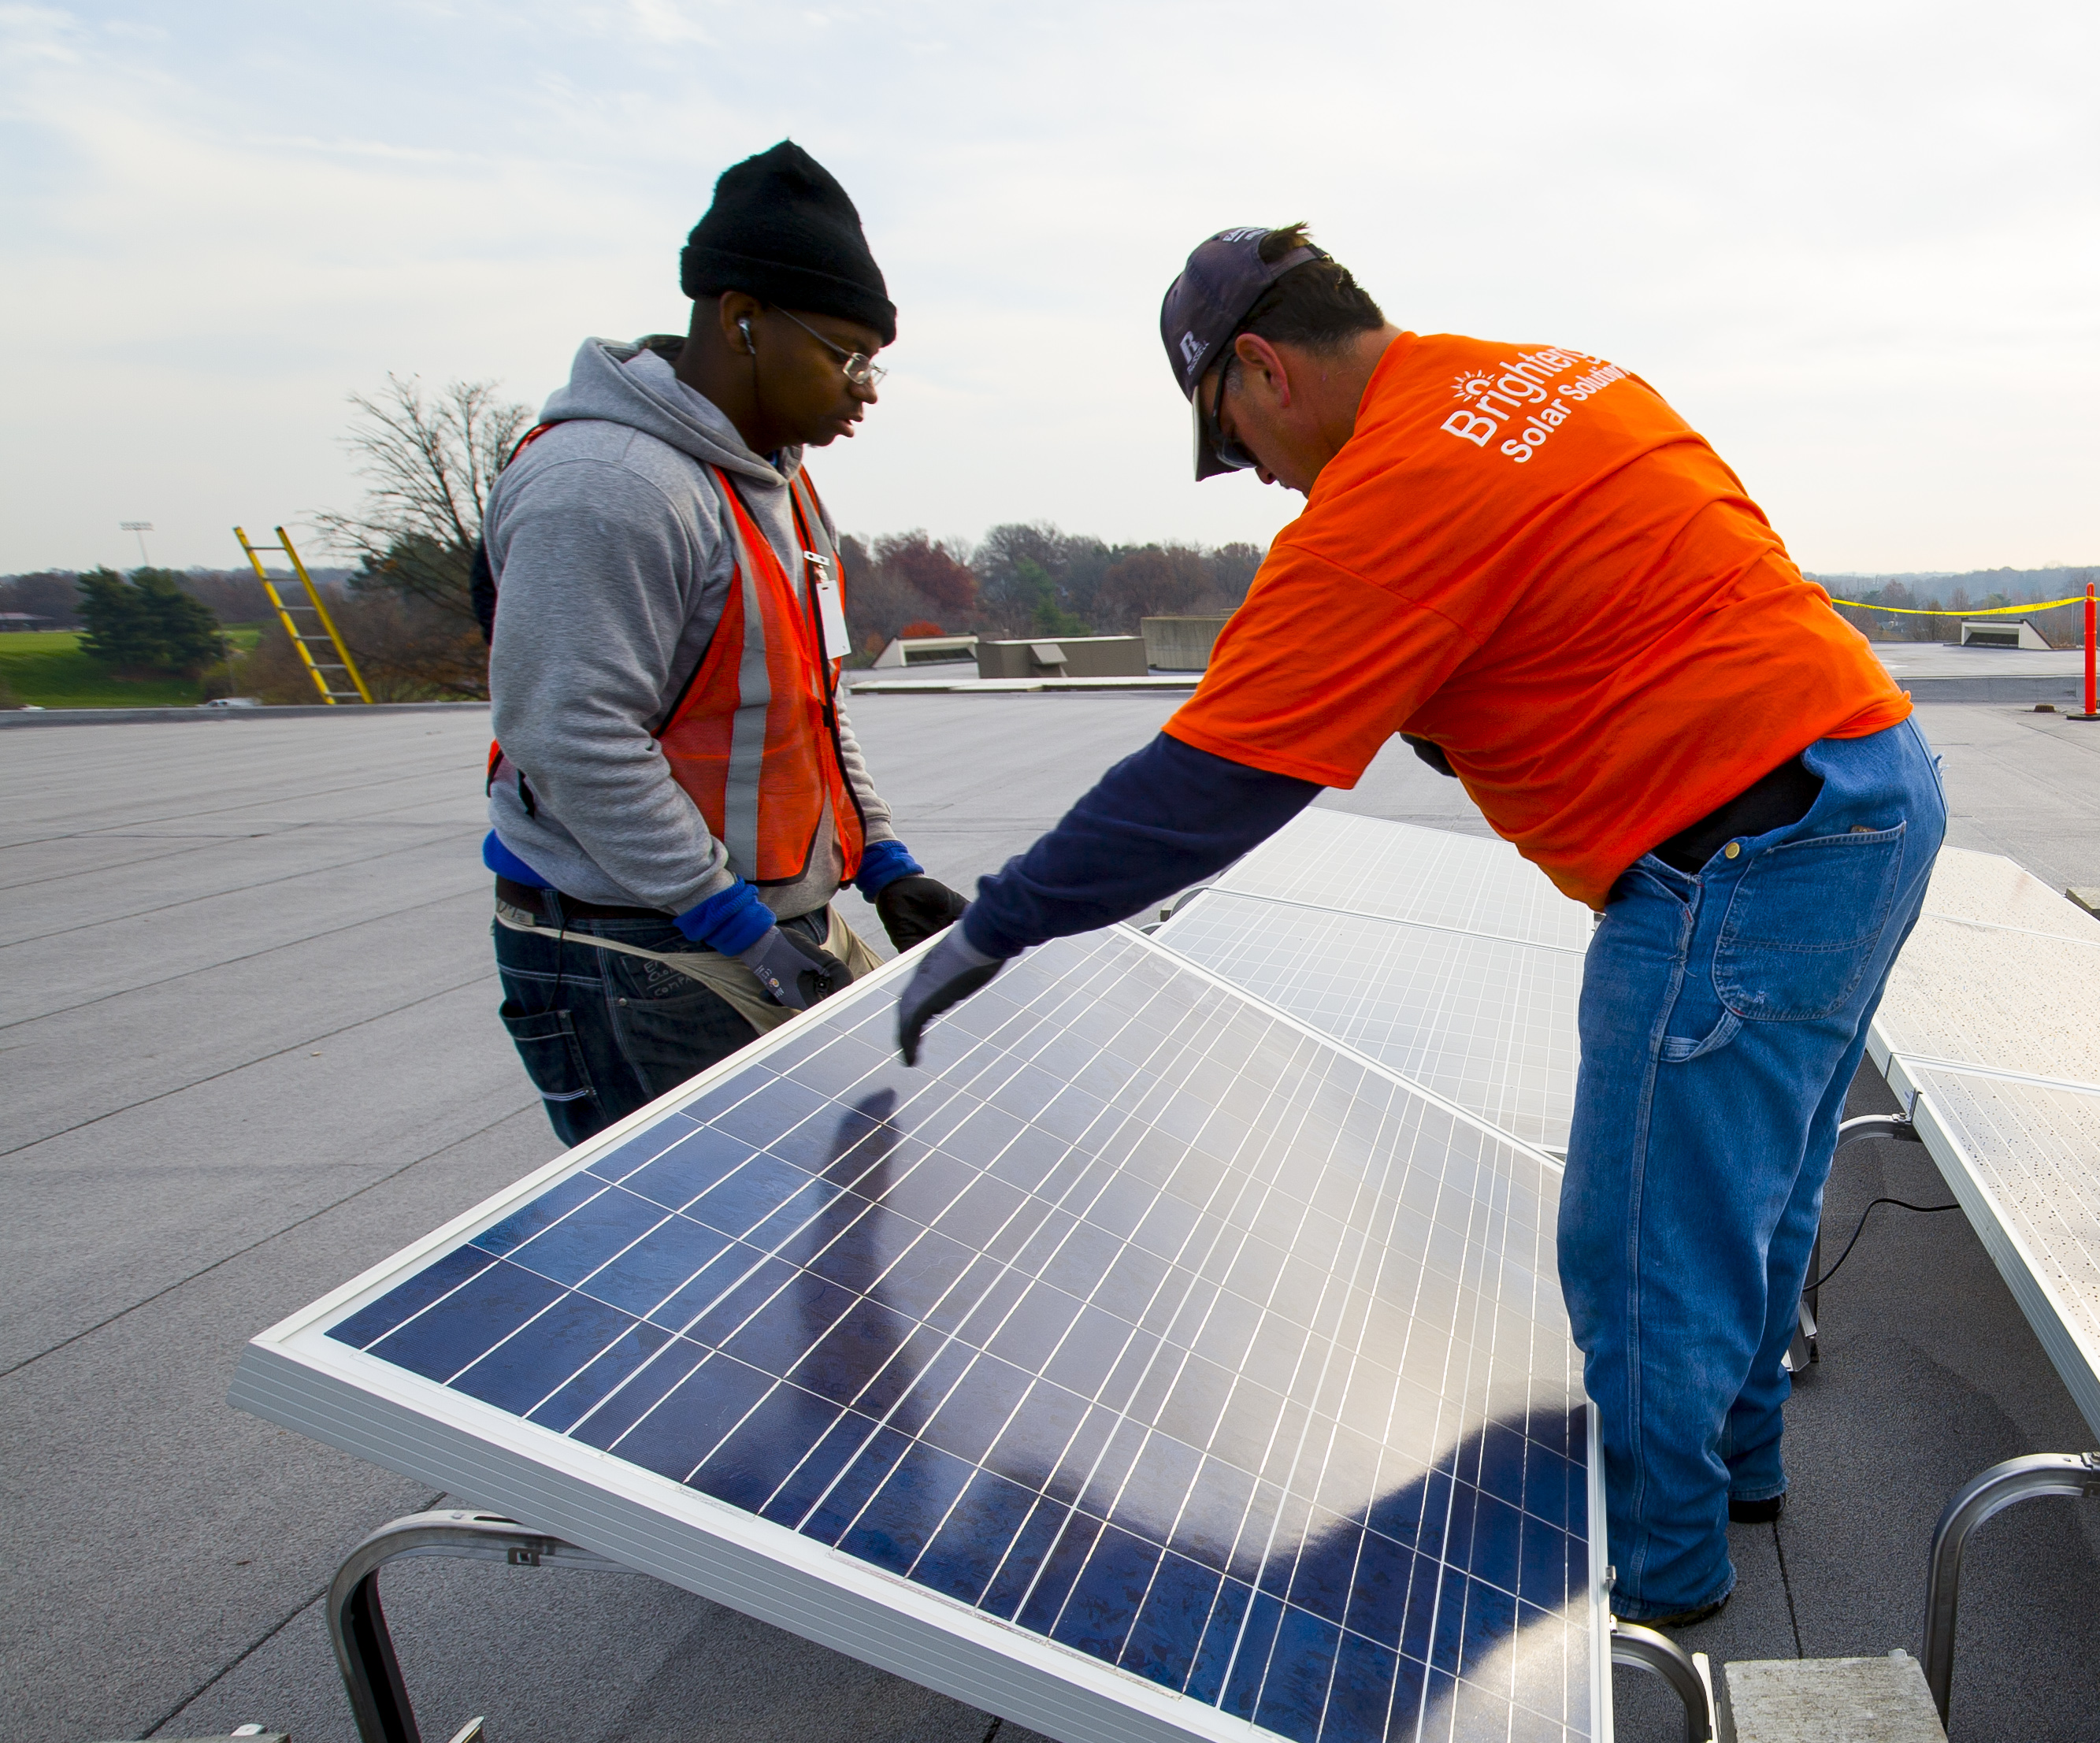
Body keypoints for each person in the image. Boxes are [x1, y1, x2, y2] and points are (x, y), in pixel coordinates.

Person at [892, 224, 1941, 1628]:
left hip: (1739, 853)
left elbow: (1206, 785)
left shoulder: (1390, 491)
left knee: (1640, 1242)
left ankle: (1668, 1592)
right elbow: (1642, 592)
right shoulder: (1548, 379)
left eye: (1230, 440)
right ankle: (1740, 1474)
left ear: (1259, 368)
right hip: (1869, 791)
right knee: (1750, 1191)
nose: (1255, 477)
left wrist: (997, 926)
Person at [480, 139, 965, 1148]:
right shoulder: (612, 484)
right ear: (742, 321)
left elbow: (809, 708)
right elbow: (571, 736)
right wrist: (735, 924)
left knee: (863, 1194)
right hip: (640, 949)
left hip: (756, 922)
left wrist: (881, 862)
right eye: (843, 353)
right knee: (714, 1269)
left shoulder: (780, 488)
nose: (864, 388)